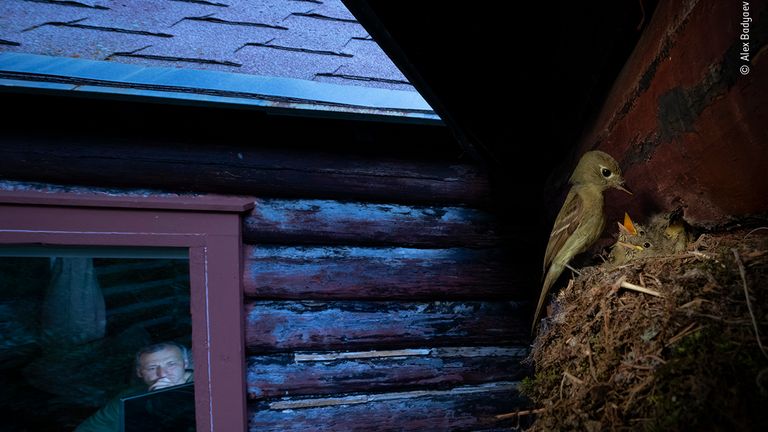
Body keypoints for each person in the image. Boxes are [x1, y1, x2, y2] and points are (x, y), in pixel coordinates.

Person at [75, 341, 193, 432]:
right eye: (152, 368)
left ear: (185, 363)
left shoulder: (207, 385)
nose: (162, 374)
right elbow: (89, 429)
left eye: (171, 364)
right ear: (139, 372)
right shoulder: (130, 397)